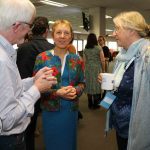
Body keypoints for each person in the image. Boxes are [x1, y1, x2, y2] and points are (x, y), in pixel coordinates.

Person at [0, 0, 57, 149]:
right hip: (9, 140)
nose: (30, 32)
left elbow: (10, 89)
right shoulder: (2, 60)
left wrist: (33, 81)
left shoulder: (6, 52)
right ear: (17, 26)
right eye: (30, 26)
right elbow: (8, 119)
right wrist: (36, 89)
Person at [98, 11, 150, 150]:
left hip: (137, 129)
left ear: (131, 30)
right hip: (121, 124)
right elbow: (120, 86)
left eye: (117, 29)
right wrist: (110, 82)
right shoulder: (124, 55)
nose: (114, 34)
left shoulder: (146, 55)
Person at [33, 19, 85, 150]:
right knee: (53, 144)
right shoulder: (42, 58)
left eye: (66, 33)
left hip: (70, 111)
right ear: (52, 35)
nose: (62, 36)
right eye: (59, 32)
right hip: (50, 110)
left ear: (71, 36)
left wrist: (76, 90)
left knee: (69, 144)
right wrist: (57, 92)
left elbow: (82, 83)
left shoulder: (77, 59)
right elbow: (35, 86)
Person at [17, 16, 54, 150]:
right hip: (46, 91)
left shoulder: (22, 48)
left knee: (27, 129)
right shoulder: (52, 49)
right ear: (47, 31)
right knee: (49, 123)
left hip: (22, 90)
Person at [84, 33, 105, 109]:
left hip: (88, 68)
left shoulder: (85, 49)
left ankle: (90, 103)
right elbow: (102, 60)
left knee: (89, 84)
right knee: (96, 85)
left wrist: (84, 70)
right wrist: (103, 70)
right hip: (97, 68)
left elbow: (85, 61)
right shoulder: (98, 48)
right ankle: (96, 104)